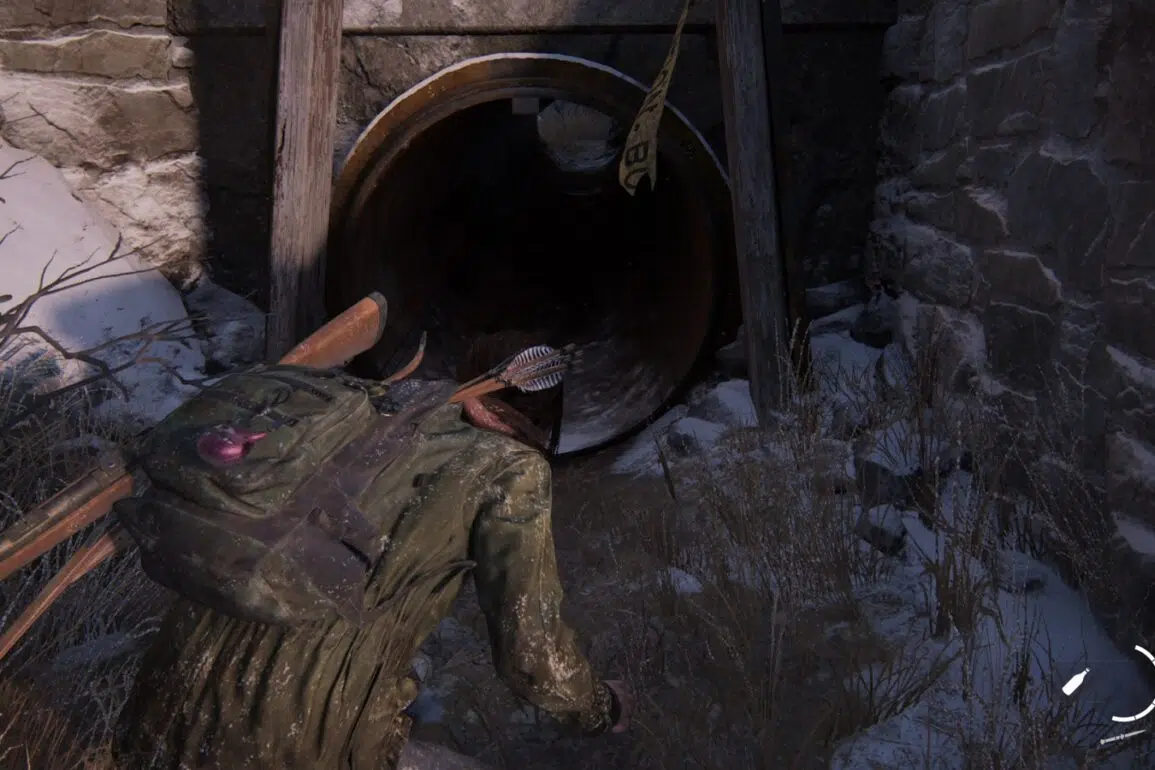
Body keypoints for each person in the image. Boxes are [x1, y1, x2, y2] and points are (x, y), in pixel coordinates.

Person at [111, 334, 633, 769]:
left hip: (163, 702)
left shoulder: (360, 404)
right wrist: (599, 707)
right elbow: (531, 653)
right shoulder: (508, 467)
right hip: (296, 736)